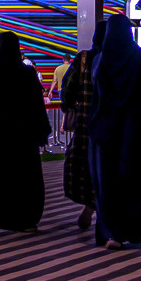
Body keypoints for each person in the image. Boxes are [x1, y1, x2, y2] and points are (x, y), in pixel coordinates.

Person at [86, 14, 141, 248]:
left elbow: (96, 97)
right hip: (136, 133)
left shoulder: (100, 61)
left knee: (108, 183)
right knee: (137, 181)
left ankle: (113, 232)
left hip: (105, 133)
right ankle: (139, 228)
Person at [0, 31, 50, 235]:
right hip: (23, 135)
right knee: (25, 178)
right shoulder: (27, 73)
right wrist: (42, 130)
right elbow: (36, 104)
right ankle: (26, 220)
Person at [60, 34, 99, 230]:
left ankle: (90, 204)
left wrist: (72, 106)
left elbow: (67, 90)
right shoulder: (126, 57)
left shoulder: (84, 59)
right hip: (118, 126)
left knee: (86, 165)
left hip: (87, 124)